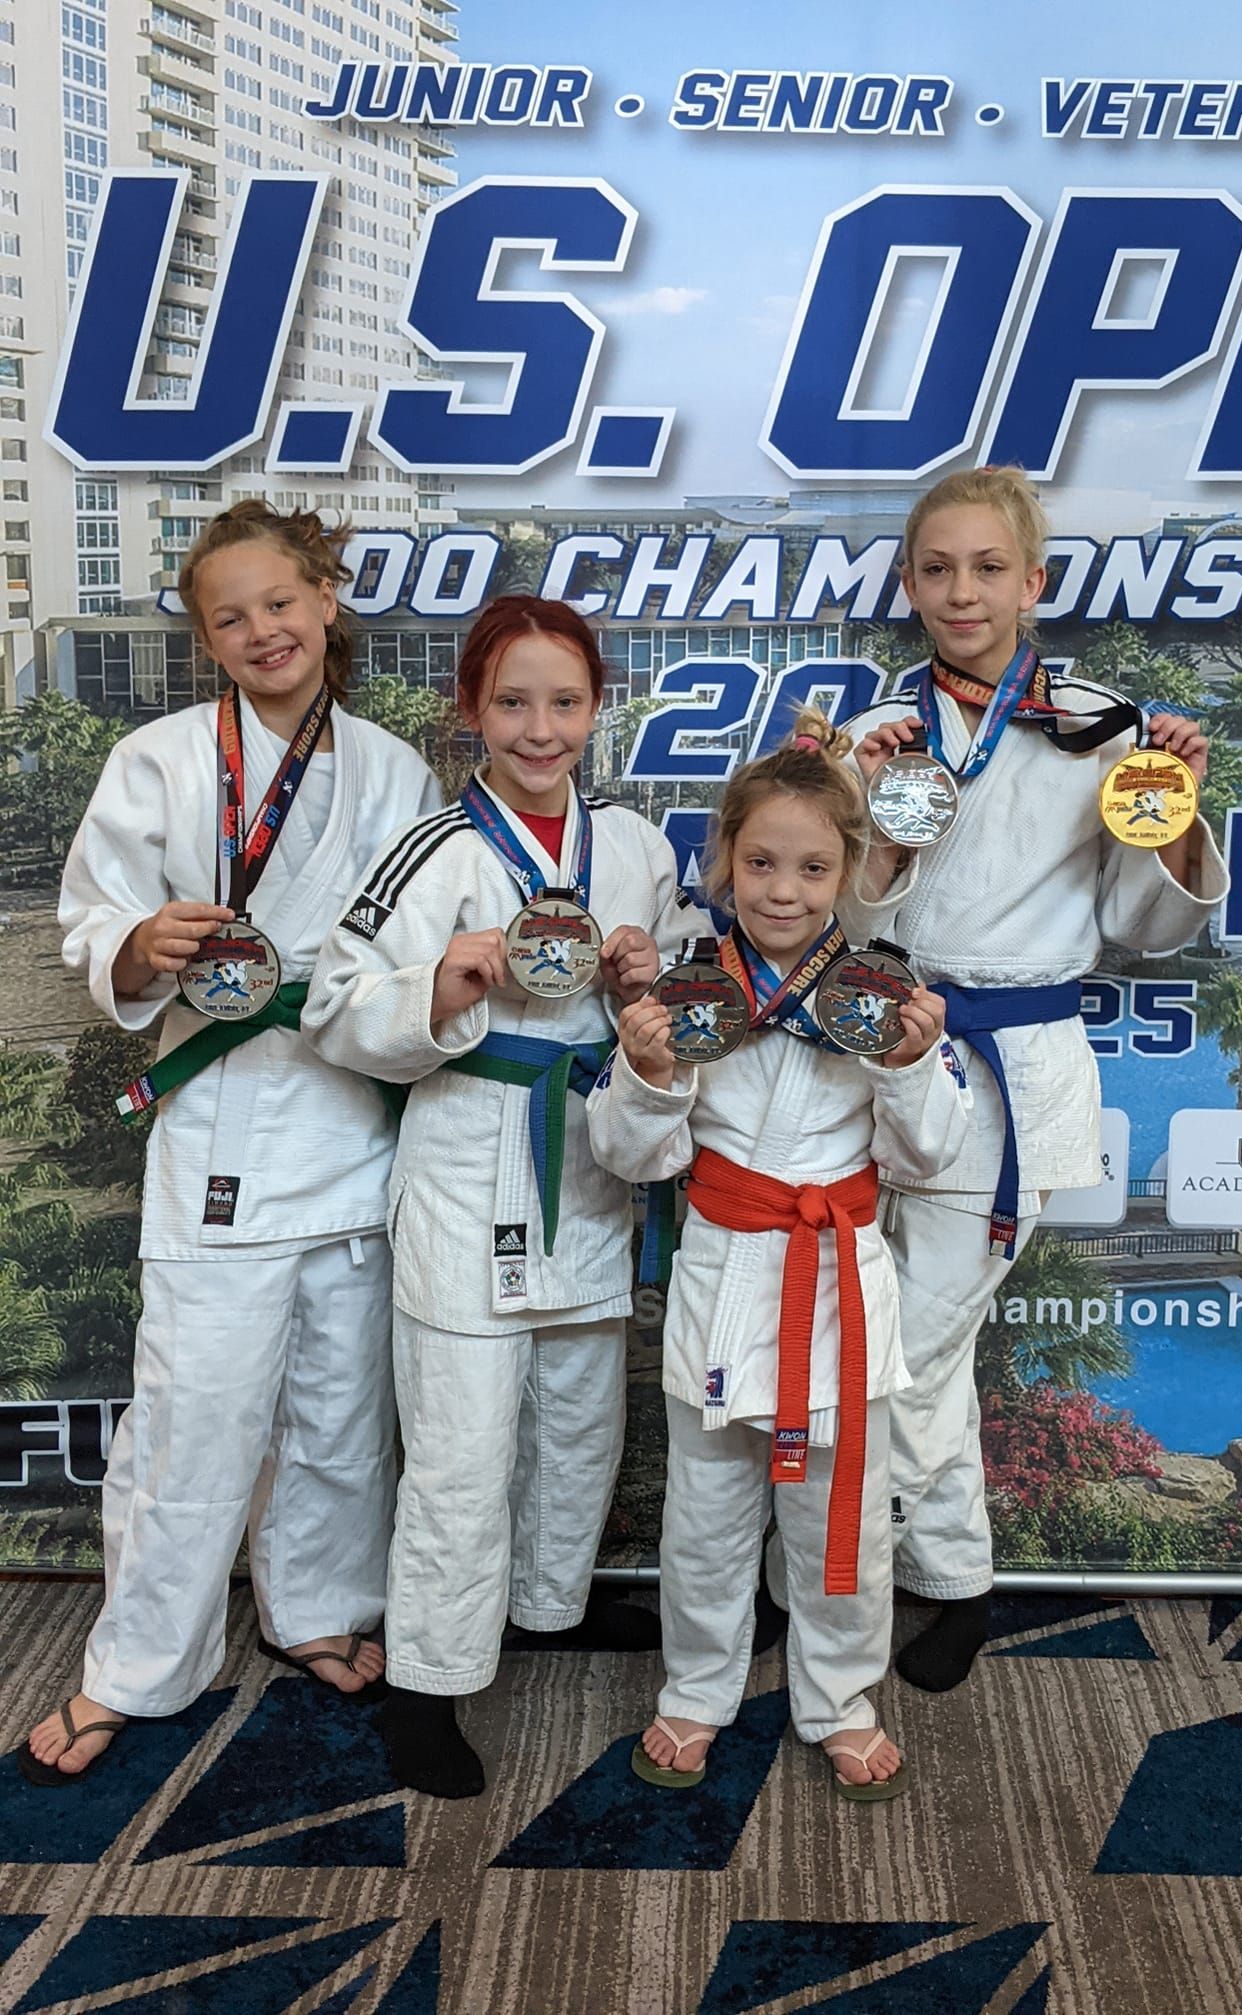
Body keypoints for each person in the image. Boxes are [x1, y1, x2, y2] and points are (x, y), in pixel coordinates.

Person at [19, 502, 440, 1786]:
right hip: (222, 1124)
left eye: (280, 600)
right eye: (230, 615)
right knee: (192, 1416)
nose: (261, 629)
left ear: (326, 598)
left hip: (358, 1125)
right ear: (206, 637)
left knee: (336, 1407)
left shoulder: (395, 771)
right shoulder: (157, 759)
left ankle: (313, 1603)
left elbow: (417, 948)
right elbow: (93, 913)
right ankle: (139, 1664)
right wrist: (135, 949)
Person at [302, 594, 700, 1800]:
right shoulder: (433, 849)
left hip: (589, 1156)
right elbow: (331, 1004)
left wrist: (652, 969)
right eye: (513, 702)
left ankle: (546, 1606)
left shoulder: (629, 843)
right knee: (463, 1447)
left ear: (596, 708)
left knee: (580, 1424)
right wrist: (441, 981)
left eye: (564, 702)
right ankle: (427, 1680)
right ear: (469, 709)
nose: (540, 728)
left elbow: (682, 970)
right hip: (472, 1157)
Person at [842, 466, 1229, 1693]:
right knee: (885, 1332)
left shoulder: (1110, 731)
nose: (963, 591)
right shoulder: (872, 729)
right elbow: (829, 906)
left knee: (914, 1339)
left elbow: (1141, 925)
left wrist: (1173, 817)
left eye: (988, 568)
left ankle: (881, 1577)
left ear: (1034, 582)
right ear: (908, 584)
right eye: (938, 568)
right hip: (874, 1038)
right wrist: (880, 825)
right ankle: (943, 1579)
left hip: (1015, 1067)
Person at [587, 714, 970, 1800]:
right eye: (759, 862)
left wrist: (909, 1062)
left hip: (842, 1279)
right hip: (725, 1271)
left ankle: (839, 1696)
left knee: (839, 1510)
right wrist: (650, 1069)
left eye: (812, 866)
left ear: (850, 871)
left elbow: (930, 1150)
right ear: (722, 864)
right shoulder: (691, 993)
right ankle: (696, 1692)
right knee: (706, 1519)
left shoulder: (882, 1000)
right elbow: (630, 1153)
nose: (784, 890)